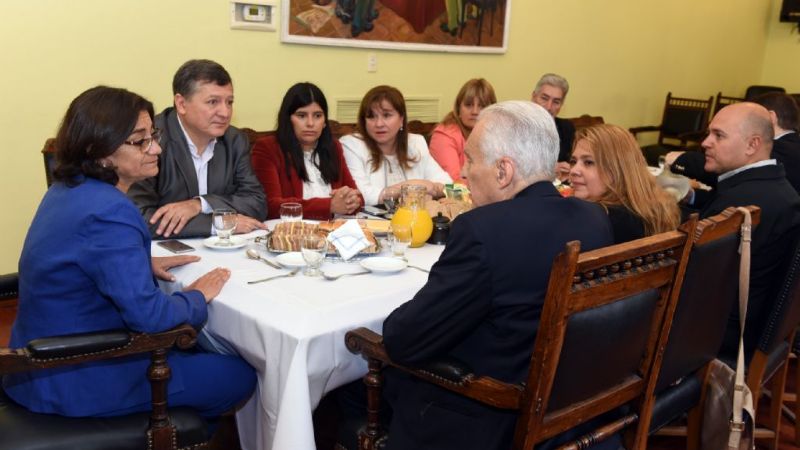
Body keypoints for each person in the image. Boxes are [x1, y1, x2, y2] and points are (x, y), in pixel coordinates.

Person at [3, 86, 256, 421]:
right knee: (238, 375)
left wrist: (139, 262)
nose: (156, 148)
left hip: (35, 368)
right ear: (101, 152)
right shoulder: (109, 210)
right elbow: (150, 318)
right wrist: (196, 296)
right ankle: (161, 434)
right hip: (77, 375)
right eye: (140, 141)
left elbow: (75, 260)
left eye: (153, 135)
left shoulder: (67, 188)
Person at [377, 101, 614, 450]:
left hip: (490, 419)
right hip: (569, 408)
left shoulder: (481, 230)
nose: (462, 172)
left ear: (504, 171)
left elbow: (404, 340)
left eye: (470, 159)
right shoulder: (594, 218)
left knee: (367, 381)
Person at [697, 102, 800, 359]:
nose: (705, 143)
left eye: (718, 135)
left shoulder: (741, 204)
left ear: (752, 145)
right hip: (760, 327)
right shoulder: (779, 187)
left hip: (725, 335)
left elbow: (694, 282)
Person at [128, 59, 267, 239]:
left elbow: (257, 202)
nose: (225, 113)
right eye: (212, 102)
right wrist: (216, 223)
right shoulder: (150, 141)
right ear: (181, 104)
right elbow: (138, 216)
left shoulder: (234, 140)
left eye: (229, 102)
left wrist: (200, 204)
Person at [251, 82, 363, 220]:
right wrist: (329, 205)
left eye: (317, 116)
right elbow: (270, 206)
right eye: (302, 115)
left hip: (332, 231)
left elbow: (358, 198)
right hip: (293, 234)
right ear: (288, 119)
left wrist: (351, 200)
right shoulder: (268, 148)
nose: (310, 123)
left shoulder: (333, 147)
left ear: (325, 122)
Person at [341, 85, 452, 206]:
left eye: (387, 115)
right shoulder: (352, 145)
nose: (378, 124)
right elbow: (360, 195)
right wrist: (412, 186)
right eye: (371, 116)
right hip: (368, 222)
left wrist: (432, 188)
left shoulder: (416, 143)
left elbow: (447, 184)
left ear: (401, 119)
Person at [569, 124, 681, 243]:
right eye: (573, 161)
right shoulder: (657, 206)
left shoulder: (596, 220)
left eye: (588, 162)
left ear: (617, 169)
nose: (573, 170)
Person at [429, 78, 497, 181]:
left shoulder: (495, 133)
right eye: (469, 105)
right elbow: (454, 182)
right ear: (458, 109)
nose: (475, 111)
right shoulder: (444, 135)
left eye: (482, 106)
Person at [531, 73, 573, 180]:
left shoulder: (567, 128)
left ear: (561, 105)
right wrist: (549, 170)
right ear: (533, 97)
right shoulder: (517, 127)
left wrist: (570, 170)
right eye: (544, 98)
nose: (549, 107)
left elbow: (574, 163)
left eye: (556, 102)